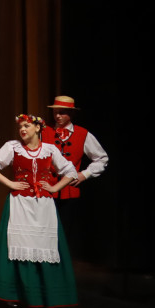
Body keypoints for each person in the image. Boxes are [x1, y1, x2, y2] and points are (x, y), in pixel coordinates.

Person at [0, 114, 79, 308]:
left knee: (46, 245)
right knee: (18, 245)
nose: (23, 129)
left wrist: (55, 188)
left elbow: (70, 171)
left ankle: (48, 295)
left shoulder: (50, 150)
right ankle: (15, 294)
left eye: (27, 126)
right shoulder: (13, 147)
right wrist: (10, 183)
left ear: (38, 128)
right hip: (20, 203)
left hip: (43, 205)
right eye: (21, 127)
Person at [42, 95, 109, 252]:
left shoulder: (82, 134)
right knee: (45, 232)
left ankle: (60, 269)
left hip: (68, 192)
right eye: (55, 112)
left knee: (64, 233)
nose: (57, 116)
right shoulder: (44, 132)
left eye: (62, 112)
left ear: (71, 114)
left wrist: (84, 174)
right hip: (46, 190)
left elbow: (102, 158)